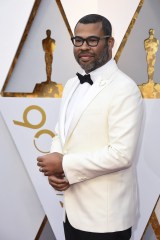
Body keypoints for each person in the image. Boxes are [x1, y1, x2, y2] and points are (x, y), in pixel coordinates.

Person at [37, 14, 143, 240]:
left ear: (110, 43)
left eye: (92, 40)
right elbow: (61, 132)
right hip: (72, 213)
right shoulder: (72, 83)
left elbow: (122, 154)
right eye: (78, 40)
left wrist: (64, 163)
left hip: (106, 220)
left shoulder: (125, 88)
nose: (84, 47)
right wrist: (57, 164)